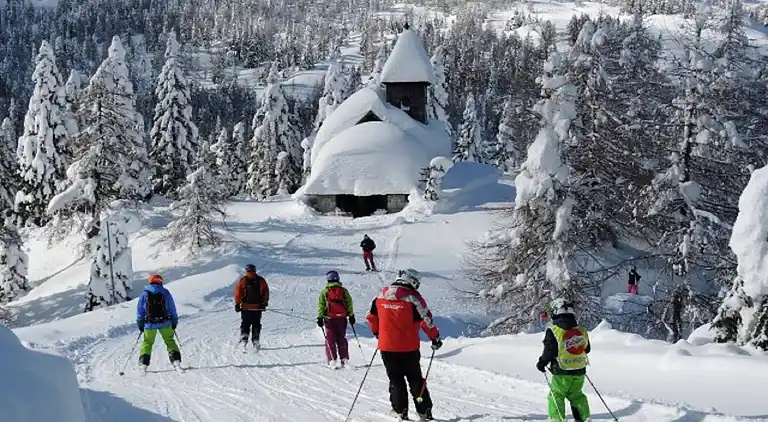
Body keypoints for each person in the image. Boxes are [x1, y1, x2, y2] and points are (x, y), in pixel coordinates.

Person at [367, 268, 443, 421]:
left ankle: (400, 410)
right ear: (412, 281)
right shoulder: (413, 297)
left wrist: (377, 333)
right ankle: (424, 410)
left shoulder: (380, 295)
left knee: (395, 380)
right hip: (408, 347)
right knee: (415, 379)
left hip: (387, 346)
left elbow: (372, 317)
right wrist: (434, 337)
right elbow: (426, 320)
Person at [536, 298, 591, 422]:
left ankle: (557, 419)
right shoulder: (581, 330)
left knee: (556, 395)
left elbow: (550, 351)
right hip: (579, 370)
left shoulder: (554, 330)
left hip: (561, 370)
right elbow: (587, 349)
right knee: (576, 395)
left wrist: (542, 362)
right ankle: (584, 418)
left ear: (555, 312)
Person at [136, 274, 181, 369]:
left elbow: (140, 310)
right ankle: (176, 361)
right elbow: (172, 308)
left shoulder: (144, 294)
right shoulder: (165, 292)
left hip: (149, 324)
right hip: (165, 322)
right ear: (160, 281)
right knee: (169, 340)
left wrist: (140, 322)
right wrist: (174, 320)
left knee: (147, 342)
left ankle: (143, 363)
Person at [316, 270, 355, 369]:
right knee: (341, 338)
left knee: (330, 339)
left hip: (329, 319)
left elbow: (321, 305)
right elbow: (349, 303)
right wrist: (351, 315)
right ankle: (344, 359)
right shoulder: (343, 290)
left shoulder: (325, 291)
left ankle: (332, 360)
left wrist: (320, 317)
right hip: (342, 318)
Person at [234, 264, 269, 349]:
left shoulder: (243, 281)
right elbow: (266, 292)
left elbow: (238, 293)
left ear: (246, 271)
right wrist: (264, 303)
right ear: (255, 270)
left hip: (246, 308)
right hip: (257, 307)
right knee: (256, 324)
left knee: (245, 324)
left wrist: (237, 304)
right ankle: (255, 341)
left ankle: (244, 340)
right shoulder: (261, 280)